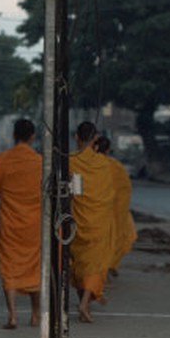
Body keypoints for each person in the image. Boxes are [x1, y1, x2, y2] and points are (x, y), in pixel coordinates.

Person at [0, 118, 42, 329]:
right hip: (34, 223)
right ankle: (35, 314)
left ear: (14, 135)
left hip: (10, 220)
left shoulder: (0, 160)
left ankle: (12, 315)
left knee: (9, 266)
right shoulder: (40, 162)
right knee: (35, 266)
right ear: (32, 137)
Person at [67, 122, 116, 323]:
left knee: (80, 264)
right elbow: (110, 193)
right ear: (95, 139)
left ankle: (84, 304)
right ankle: (84, 303)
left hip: (78, 219)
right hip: (98, 220)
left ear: (76, 137)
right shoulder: (104, 163)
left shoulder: (70, 161)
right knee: (94, 264)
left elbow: (73, 192)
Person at [94, 136, 137, 277]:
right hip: (112, 211)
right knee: (120, 235)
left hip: (93, 210)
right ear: (108, 149)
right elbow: (125, 189)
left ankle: (108, 266)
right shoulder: (116, 166)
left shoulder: (89, 164)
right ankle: (107, 267)